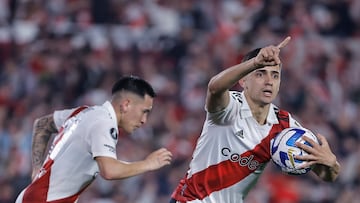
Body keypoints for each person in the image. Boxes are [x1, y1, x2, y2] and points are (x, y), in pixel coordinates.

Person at [170, 37, 340, 203]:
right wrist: (254, 63)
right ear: (243, 80)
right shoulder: (229, 106)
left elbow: (327, 176)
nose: (269, 82)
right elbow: (214, 88)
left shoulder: (284, 127)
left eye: (275, 76)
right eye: (260, 74)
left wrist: (331, 164)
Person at [15, 76, 173, 203]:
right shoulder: (104, 123)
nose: (144, 120)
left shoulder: (84, 112)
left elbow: (42, 124)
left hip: (34, 196)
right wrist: (148, 164)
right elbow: (109, 171)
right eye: (143, 112)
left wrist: (37, 169)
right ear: (126, 105)